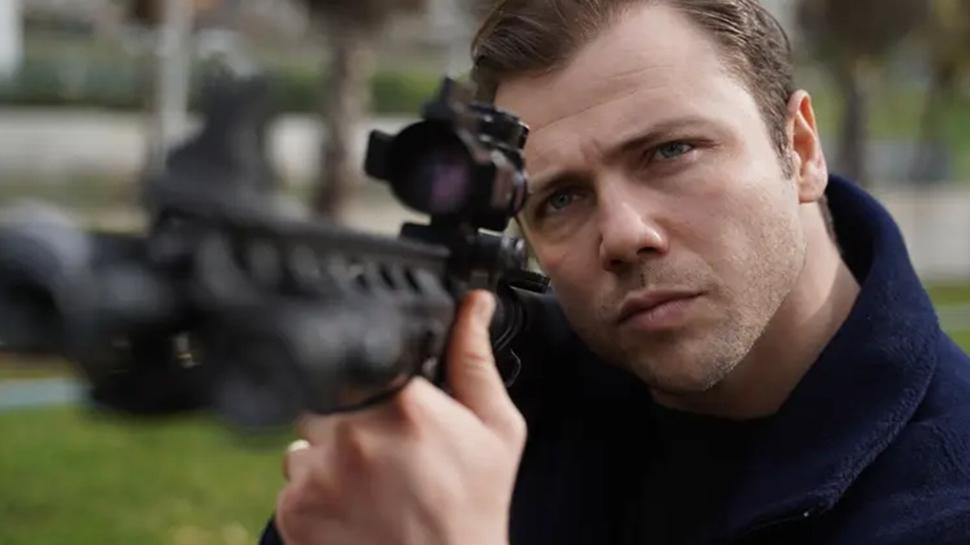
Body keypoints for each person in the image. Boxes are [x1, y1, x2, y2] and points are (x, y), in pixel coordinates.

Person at [260, 1, 970, 544]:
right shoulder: (501, 398)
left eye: (671, 152)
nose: (625, 234)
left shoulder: (944, 499)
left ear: (802, 148)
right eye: (561, 199)